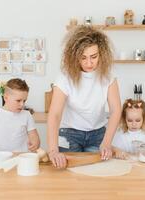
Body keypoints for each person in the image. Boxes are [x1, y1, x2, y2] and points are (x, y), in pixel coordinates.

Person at [47, 25, 122, 168]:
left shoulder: (108, 76)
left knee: (96, 175)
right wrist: (53, 150)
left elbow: (116, 110)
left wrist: (106, 143)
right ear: (74, 57)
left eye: (94, 57)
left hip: (98, 134)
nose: (89, 63)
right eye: (83, 58)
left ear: (102, 53)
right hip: (69, 134)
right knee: (67, 175)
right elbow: (55, 114)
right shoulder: (64, 77)